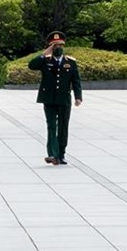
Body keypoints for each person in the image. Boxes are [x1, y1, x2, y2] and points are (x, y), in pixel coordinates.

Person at [29, 31, 82, 165]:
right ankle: (52, 154)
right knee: (52, 126)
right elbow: (31, 65)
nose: (58, 48)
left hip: (64, 99)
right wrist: (44, 53)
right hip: (49, 99)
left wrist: (78, 97)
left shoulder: (70, 62)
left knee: (63, 127)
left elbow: (76, 80)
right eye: (55, 45)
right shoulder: (45, 61)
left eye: (60, 45)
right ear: (51, 46)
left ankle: (61, 154)